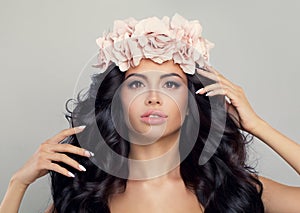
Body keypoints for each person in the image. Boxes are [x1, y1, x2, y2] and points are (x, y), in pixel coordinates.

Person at [1, 13, 300, 213]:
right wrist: (19, 183)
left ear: (191, 102)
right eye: (136, 84)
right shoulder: (85, 195)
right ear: (118, 101)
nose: (153, 97)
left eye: (170, 84)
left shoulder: (230, 188)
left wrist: (257, 125)